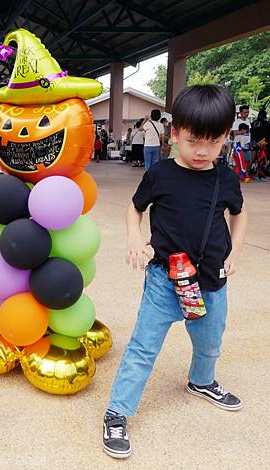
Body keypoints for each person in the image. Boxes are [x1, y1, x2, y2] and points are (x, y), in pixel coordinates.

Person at [102, 85, 247, 459]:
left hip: (212, 280)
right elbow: (134, 209)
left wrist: (236, 250)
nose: (202, 151)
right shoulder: (161, 175)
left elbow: (238, 212)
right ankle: (117, 412)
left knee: (211, 341)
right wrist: (134, 237)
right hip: (165, 281)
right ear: (176, 133)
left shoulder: (225, 178)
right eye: (194, 140)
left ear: (226, 137)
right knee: (142, 348)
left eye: (213, 142)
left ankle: (202, 381)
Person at [232, 105, 252, 182]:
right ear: (240, 113)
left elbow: (249, 132)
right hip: (238, 145)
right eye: (244, 112)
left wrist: (250, 141)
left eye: (247, 112)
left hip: (247, 144)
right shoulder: (236, 122)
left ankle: (245, 175)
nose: (246, 114)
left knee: (247, 160)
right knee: (238, 162)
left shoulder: (248, 121)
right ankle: (235, 177)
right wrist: (241, 132)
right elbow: (234, 132)